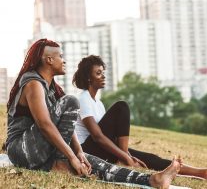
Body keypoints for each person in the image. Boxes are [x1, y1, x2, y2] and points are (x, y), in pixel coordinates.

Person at [5, 38, 181, 189]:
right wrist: (70, 156)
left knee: (95, 163)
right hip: (22, 150)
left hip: (42, 151)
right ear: (49, 59)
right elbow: (45, 125)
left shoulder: (52, 89)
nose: (64, 60)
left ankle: (153, 180)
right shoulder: (33, 83)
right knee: (71, 101)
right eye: (61, 56)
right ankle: (60, 163)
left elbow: (66, 128)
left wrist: (79, 153)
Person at [73, 55, 207, 180]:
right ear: (88, 78)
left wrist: (127, 155)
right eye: (98, 73)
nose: (103, 76)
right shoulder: (84, 99)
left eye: (103, 72)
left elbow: (107, 135)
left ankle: (203, 173)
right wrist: (126, 157)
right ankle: (125, 159)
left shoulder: (98, 103)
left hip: (101, 148)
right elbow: (98, 136)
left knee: (150, 158)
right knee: (121, 106)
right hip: (88, 151)